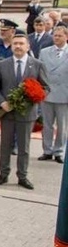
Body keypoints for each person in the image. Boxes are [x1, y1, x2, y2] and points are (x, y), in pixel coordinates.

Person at [0, 31, 50, 190]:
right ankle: (3, 174)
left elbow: (46, 88)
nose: (18, 46)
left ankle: (22, 176)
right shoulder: (2, 64)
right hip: (7, 112)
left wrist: (34, 97)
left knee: (24, 147)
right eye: (15, 44)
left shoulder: (37, 65)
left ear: (28, 46)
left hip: (27, 112)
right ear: (11, 46)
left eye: (21, 44)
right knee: (5, 145)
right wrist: (2, 102)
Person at [39, 24, 68, 163]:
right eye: (55, 35)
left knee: (62, 126)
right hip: (47, 93)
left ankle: (59, 151)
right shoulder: (44, 52)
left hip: (64, 94)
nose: (56, 38)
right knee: (47, 124)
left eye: (60, 36)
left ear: (66, 37)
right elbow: (40, 72)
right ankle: (47, 150)